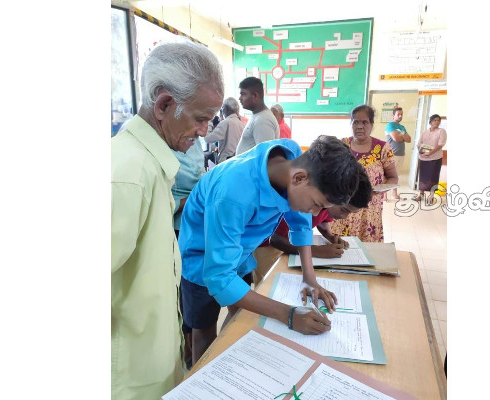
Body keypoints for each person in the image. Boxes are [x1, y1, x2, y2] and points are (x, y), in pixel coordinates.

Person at [179, 135, 360, 364]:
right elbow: (219, 277)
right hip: (203, 257)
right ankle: (201, 372)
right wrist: (290, 315)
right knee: (204, 330)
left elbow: (300, 223)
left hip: (241, 251)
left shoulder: (294, 160)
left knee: (240, 314)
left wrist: (309, 278)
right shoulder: (233, 192)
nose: (316, 213)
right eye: (317, 204)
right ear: (299, 179)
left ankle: (224, 361)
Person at [111, 42, 223, 400]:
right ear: (164, 105)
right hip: (126, 376)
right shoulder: (129, 172)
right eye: (200, 118)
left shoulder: (153, 166)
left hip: (151, 361)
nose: (205, 131)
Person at [250, 163, 372, 284]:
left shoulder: (326, 205)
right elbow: (275, 239)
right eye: (344, 210)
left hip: (291, 247)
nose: (344, 216)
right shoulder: (304, 203)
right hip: (265, 246)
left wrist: (330, 236)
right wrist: (317, 251)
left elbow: (322, 220)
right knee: (268, 284)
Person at [331, 105, 398, 242]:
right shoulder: (342, 145)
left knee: (367, 250)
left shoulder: (382, 148)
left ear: (372, 125)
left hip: (369, 209)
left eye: (364, 122)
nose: (359, 126)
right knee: (341, 249)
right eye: (355, 122)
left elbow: (393, 177)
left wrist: (380, 189)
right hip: (344, 207)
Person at [170, 142, 206, 370]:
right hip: (175, 228)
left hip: (193, 227)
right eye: (200, 119)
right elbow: (163, 202)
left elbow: (198, 174)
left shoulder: (193, 142)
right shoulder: (163, 148)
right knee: (179, 291)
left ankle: (189, 347)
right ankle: (185, 348)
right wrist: (194, 197)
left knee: (188, 293)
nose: (203, 130)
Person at [235, 77, 280, 154]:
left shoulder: (263, 120)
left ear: (255, 96)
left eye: (243, 94)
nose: (240, 98)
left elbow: (263, 156)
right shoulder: (258, 116)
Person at [415, 114, 447, 203]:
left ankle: (431, 197)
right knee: (423, 177)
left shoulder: (441, 131)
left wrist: (430, 153)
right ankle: (421, 195)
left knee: (433, 177)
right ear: (430, 122)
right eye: (435, 120)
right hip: (424, 159)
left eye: (438, 120)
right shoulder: (424, 132)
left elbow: (441, 144)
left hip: (435, 159)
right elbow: (418, 144)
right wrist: (420, 152)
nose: (437, 122)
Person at [204, 97, 246, 162]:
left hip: (226, 161)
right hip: (238, 160)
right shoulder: (242, 124)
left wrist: (209, 120)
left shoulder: (226, 123)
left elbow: (207, 138)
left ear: (225, 109)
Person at [385, 107, 411, 201]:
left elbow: (409, 139)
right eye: (398, 114)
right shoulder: (390, 125)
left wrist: (401, 136)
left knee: (396, 175)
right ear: (393, 115)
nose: (400, 116)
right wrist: (403, 136)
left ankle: (394, 194)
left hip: (401, 154)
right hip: (392, 154)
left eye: (401, 114)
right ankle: (384, 196)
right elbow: (396, 138)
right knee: (388, 175)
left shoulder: (402, 127)